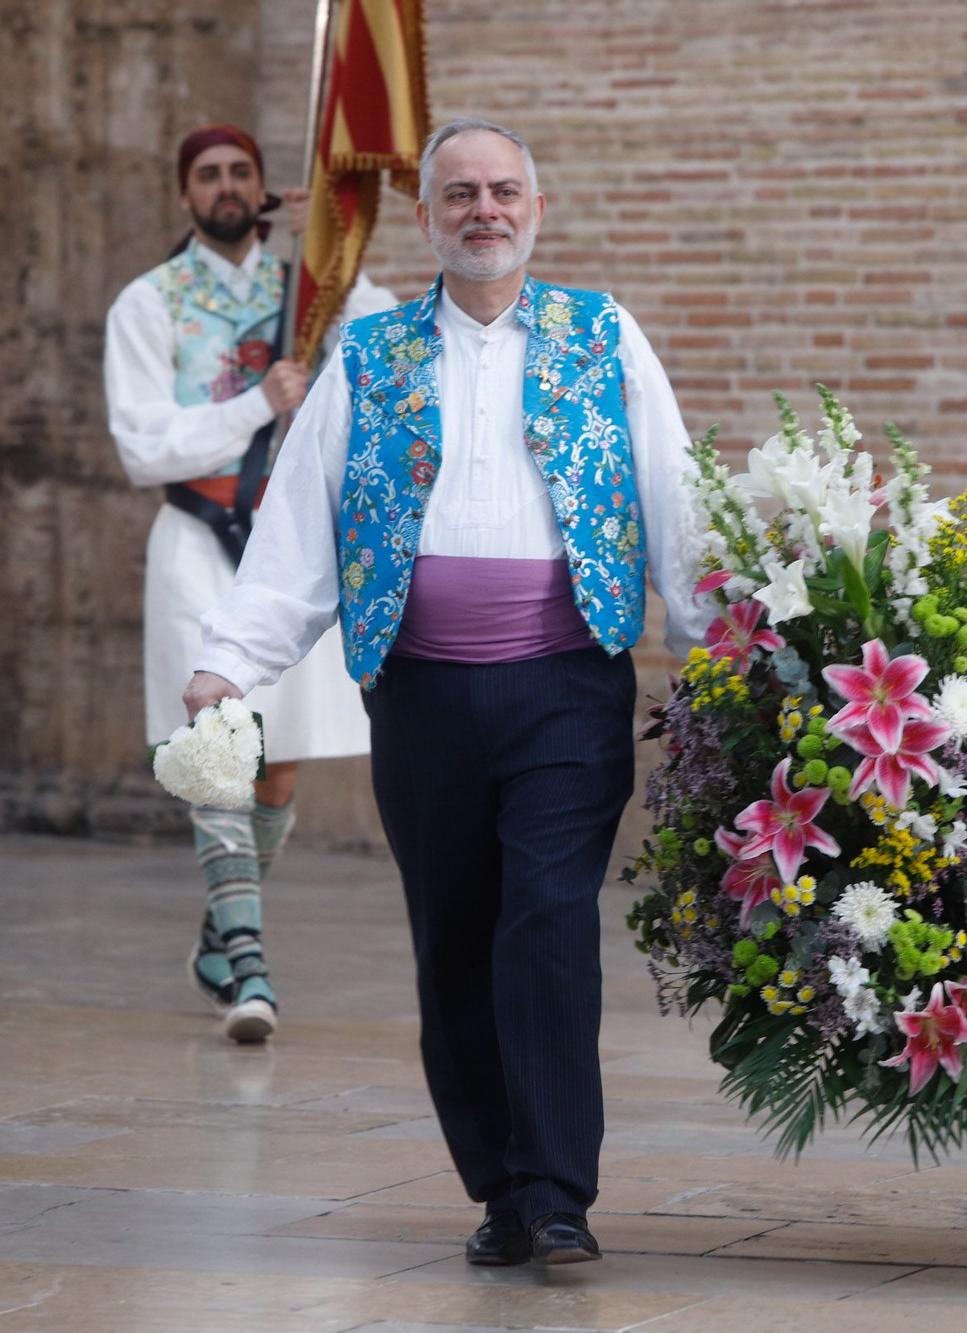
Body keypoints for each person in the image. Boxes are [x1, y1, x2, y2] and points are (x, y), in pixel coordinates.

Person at [181, 115, 711, 1266]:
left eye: (504, 190)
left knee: (549, 924)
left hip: (568, 688)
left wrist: (725, 642)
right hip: (418, 697)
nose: (485, 209)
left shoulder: (601, 334)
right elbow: (298, 533)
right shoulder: (368, 354)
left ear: (537, 209)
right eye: (459, 193)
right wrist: (229, 657)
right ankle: (498, 1186)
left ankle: (559, 1188)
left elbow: (673, 498)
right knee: (454, 940)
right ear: (425, 218)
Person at [106, 123, 396, 1045]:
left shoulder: (307, 293)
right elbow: (144, 445)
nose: (225, 187)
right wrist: (253, 405)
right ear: (185, 193)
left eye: (240, 173)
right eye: (207, 175)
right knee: (220, 753)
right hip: (198, 539)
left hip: (290, 553)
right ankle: (251, 967)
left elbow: (389, 343)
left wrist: (339, 246)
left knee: (279, 765)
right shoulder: (148, 305)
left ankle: (214, 935)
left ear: (264, 191)